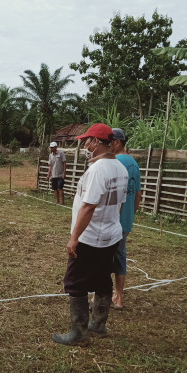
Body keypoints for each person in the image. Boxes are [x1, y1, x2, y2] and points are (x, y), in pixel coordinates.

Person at [52, 123, 128, 346]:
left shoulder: (97, 170)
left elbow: (88, 207)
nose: (85, 145)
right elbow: (120, 205)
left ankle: (79, 333)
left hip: (91, 237)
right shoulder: (120, 168)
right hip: (111, 236)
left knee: (75, 282)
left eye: (87, 141)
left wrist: (74, 237)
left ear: (96, 142)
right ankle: (98, 323)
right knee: (103, 279)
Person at [110, 128, 142, 310]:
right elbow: (138, 195)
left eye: (109, 142)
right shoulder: (134, 164)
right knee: (121, 256)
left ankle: (103, 296)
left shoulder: (114, 162)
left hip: (112, 220)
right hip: (126, 220)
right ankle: (119, 297)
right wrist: (130, 214)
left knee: (104, 259)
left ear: (117, 142)